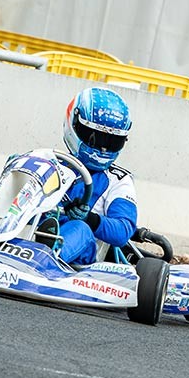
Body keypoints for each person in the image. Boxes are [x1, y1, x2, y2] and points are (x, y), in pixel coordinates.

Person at [56, 87, 138, 265]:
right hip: (29, 233)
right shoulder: (48, 161)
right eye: (95, 138)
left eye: (112, 142)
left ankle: (46, 260)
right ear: (74, 124)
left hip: (78, 258)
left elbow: (123, 230)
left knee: (79, 227)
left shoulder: (118, 180)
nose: (103, 148)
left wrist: (89, 219)